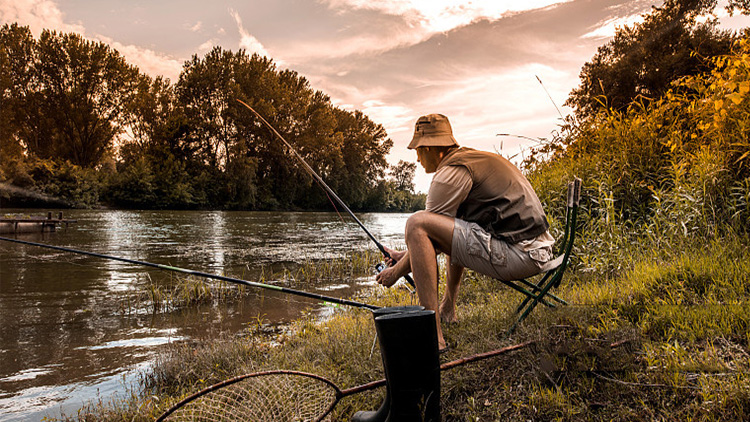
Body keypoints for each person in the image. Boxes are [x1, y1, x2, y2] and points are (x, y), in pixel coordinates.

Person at [376, 114, 555, 352]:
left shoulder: (451, 172)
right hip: (538, 249)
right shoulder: (473, 159)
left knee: (416, 223)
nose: (417, 158)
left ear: (429, 147)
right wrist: (403, 255)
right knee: (454, 221)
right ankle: (447, 309)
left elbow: (424, 234)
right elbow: (443, 234)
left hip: (520, 255)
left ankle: (434, 337)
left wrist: (395, 273)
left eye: (417, 150)